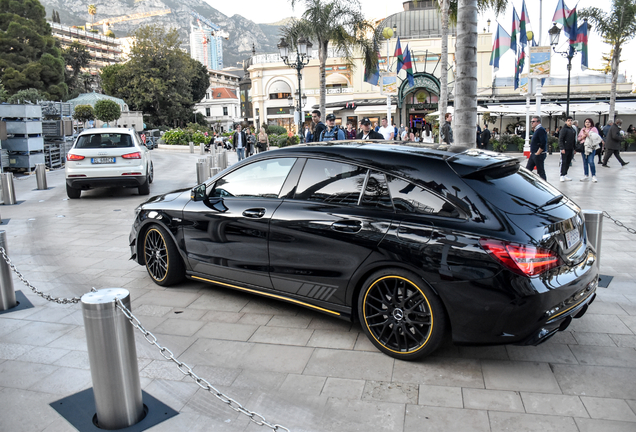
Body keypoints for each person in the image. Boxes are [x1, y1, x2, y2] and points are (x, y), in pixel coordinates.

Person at [577, 118, 600, 182]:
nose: (587, 123)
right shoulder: (582, 129)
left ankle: (593, 175)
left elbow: (596, 137)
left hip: (591, 147)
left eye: (589, 122)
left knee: (591, 161)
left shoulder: (594, 129)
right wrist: (583, 136)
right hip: (584, 146)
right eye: (586, 122)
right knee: (585, 161)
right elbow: (578, 138)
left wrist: (588, 134)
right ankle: (586, 175)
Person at [526, 116, 548, 181]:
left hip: (538, 154)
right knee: (528, 170)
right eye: (531, 121)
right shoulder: (537, 130)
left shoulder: (541, 130)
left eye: (533, 121)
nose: (531, 123)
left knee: (541, 171)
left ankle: (545, 185)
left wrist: (538, 153)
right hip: (534, 154)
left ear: (538, 122)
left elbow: (543, 142)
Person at [558, 117, 576, 181]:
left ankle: (565, 174)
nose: (570, 122)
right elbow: (561, 139)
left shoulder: (573, 130)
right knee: (564, 161)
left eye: (571, 120)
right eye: (568, 120)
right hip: (565, 148)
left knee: (568, 162)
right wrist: (562, 148)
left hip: (570, 148)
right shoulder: (564, 129)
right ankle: (562, 175)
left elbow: (574, 140)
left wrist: (574, 148)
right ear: (566, 122)